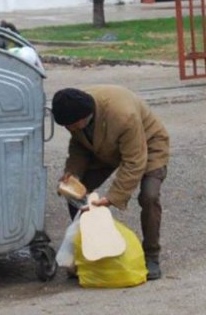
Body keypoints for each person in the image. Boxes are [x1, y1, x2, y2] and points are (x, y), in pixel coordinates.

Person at [51, 85, 170, 280]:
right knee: (75, 194)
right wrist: (72, 175)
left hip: (148, 145)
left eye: (70, 126)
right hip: (104, 148)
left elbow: (134, 161)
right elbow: (79, 147)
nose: (68, 129)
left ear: (82, 119)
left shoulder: (124, 116)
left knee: (149, 196)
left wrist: (112, 197)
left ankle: (151, 256)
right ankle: (85, 253)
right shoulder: (76, 107)